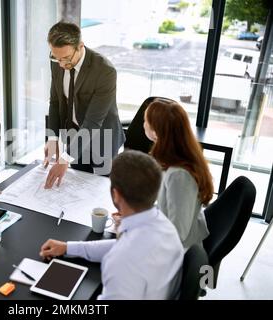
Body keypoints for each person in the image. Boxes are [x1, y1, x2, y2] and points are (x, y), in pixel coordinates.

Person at [39, 150, 184, 300]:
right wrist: (68, 247)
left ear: (116, 194)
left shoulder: (121, 261)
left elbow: (124, 251)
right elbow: (121, 245)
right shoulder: (163, 225)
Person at [43, 21, 125, 188]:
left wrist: (65, 158)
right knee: (77, 186)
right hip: (74, 136)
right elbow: (55, 102)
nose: (61, 64)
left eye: (66, 58)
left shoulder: (104, 71)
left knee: (103, 191)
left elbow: (93, 122)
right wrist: (52, 138)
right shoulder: (58, 61)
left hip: (103, 138)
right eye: (56, 57)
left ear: (80, 46)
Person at [143, 98, 214, 249]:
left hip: (178, 254)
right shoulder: (175, 159)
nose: (143, 124)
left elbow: (177, 233)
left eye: (146, 121)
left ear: (156, 132)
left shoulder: (179, 176)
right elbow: (167, 209)